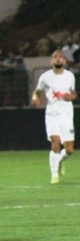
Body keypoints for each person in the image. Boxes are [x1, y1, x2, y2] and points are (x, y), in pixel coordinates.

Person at [31, 49, 76, 184]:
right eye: (55, 57)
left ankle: (60, 161)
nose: (58, 59)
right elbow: (37, 91)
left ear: (64, 61)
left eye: (61, 57)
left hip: (67, 114)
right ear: (51, 60)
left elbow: (73, 93)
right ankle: (54, 175)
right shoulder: (45, 77)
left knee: (69, 150)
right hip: (52, 114)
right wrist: (35, 98)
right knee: (55, 141)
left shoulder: (70, 76)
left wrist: (71, 97)